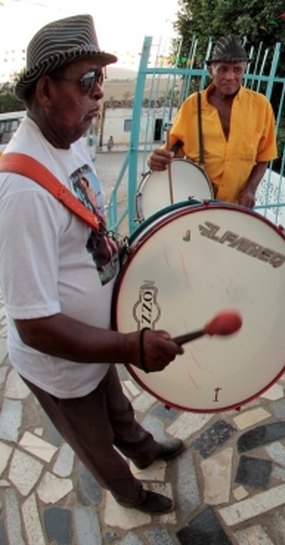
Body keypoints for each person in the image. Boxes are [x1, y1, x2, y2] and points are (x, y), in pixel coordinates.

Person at [0, 14, 185, 515]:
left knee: (117, 407)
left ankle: (144, 450)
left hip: (94, 340)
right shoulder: (20, 191)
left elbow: (87, 228)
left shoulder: (71, 140)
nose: (99, 95)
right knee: (94, 439)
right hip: (59, 364)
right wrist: (130, 345)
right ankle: (129, 492)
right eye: (87, 82)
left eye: (100, 81)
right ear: (44, 90)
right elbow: (35, 325)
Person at [147, 35, 278, 207]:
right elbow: (171, 150)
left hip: (237, 206)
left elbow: (264, 156)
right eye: (223, 69)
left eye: (237, 69)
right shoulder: (192, 105)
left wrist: (250, 189)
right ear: (211, 71)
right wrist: (155, 159)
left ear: (244, 70)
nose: (230, 76)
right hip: (198, 203)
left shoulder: (260, 106)